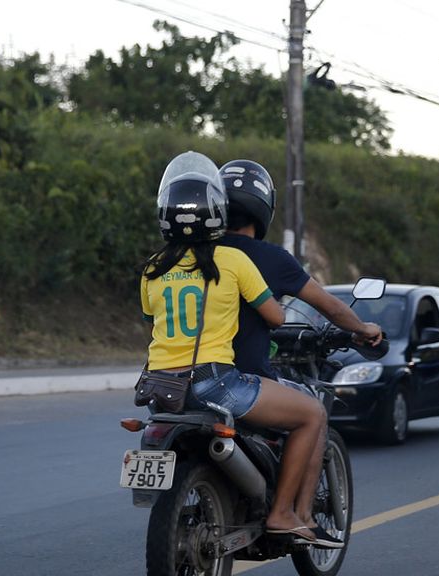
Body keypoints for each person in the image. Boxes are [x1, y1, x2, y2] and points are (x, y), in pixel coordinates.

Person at [140, 151, 331, 547]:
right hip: (215, 383)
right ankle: (282, 513)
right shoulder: (232, 260)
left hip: (159, 390)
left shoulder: (153, 268)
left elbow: (152, 323)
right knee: (312, 413)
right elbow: (276, 318)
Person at [218, 159, 383, 545]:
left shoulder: (195, 255)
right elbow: (329, 305)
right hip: (241, 378)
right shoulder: (269, 258)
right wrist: (363, 329)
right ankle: (294, 515)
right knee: (312, 413)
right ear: (263, 209)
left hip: (176, 376)